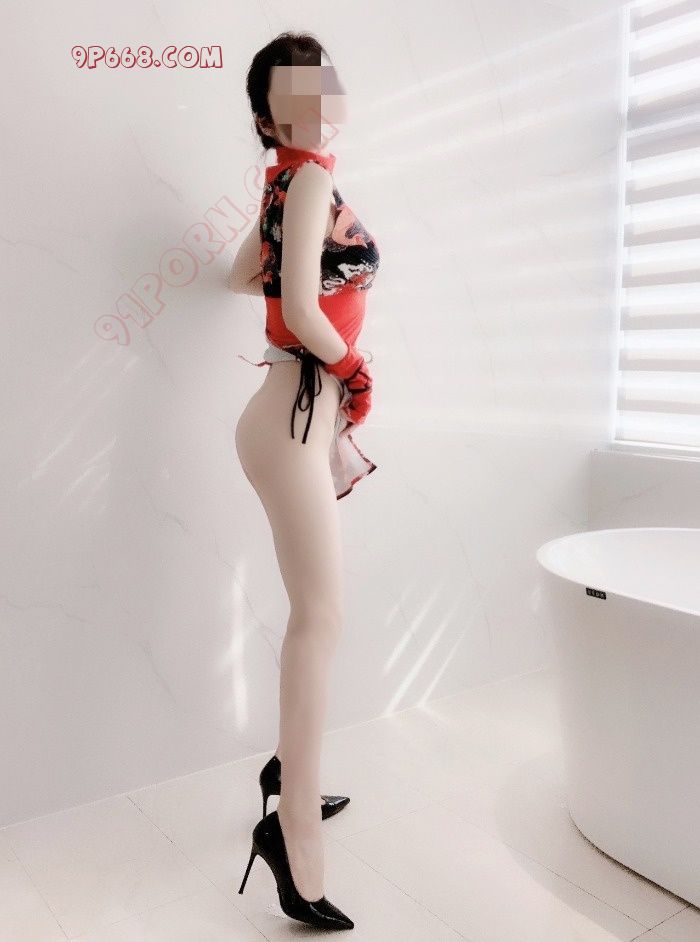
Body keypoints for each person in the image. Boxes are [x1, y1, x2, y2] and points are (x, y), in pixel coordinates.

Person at [228, 31, 381, 931]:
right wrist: (354, 369)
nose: (319, 97)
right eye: (297, 89)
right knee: (320, 620)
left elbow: (238, 274)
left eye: (324, 80)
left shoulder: (288, 181)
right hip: (293, 419)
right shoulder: (309, 179)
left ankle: (291, 773)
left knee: (316, 614)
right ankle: (292, 835)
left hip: (282, 417)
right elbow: (291, 306)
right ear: (268, 115)